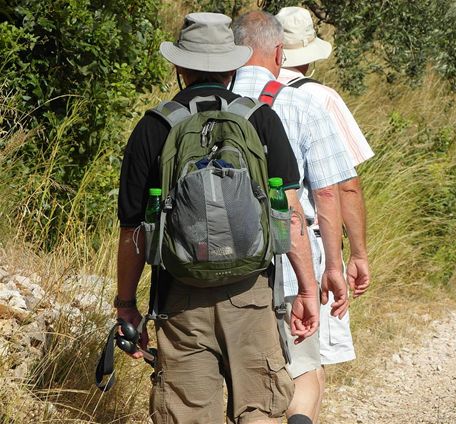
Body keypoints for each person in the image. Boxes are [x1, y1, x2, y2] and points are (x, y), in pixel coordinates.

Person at [115, 12, 320, 424]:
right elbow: (290, 214)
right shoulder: (260, 118)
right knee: (259, 410)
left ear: (179, 67)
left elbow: (133, 231)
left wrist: (126, 303)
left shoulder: (154, 126)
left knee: (188, 415)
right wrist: (307, 290)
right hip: (252, 292)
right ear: (232, 66)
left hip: (180, 297)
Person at [231, 11, 357, 424]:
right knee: (304, 371)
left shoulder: (210, 102)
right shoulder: (305, 103)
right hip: (290, 263)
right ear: (279, 52)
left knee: (244, 386)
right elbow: (327, 192)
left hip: (222, 267)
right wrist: (334, 266)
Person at [275, 6, 375, 422]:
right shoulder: (320, 98)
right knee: (306, 367)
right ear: (310, 54)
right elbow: (343, 185)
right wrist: (357, 254)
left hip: (240, 247)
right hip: (304, 246)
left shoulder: (237, 91)